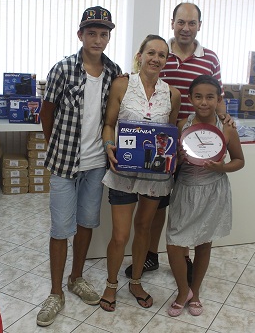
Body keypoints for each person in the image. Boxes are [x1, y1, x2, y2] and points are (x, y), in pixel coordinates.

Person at [124, 2, 233, 284]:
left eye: (192, 23)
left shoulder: (210, 58)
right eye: (181, 22)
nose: (186, 28)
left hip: (200, 144)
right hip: (164, 142)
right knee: (159, 203)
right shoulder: (161, 54)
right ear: (172, 22)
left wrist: (225, 120)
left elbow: (218, 96)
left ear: (199, 25)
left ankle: (184, 258)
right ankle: (151, 254)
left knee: (190, 204)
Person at [37, 6, 122, 327]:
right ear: (80, 35)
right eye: (92, 33)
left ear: (108, 37)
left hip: (96, 164)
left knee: (86, 223)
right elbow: (47, 112)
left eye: (103, 34)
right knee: (60, 229)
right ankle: (55, 292)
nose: (97, 39)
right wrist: (53, 144)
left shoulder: (113, 73)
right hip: (64, 162)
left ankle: (76, 278)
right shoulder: (63, 70)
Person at [99, 34, 181, 312]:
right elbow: (109, 123)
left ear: (166, 61)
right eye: (151, 53)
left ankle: (135, 281)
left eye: (162, 55)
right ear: (140, 55)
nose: (156, 59)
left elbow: (170, 135)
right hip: (122, 171)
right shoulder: (122, 84)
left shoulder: (172, 94)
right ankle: (111, 285)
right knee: (120, 235)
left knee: (144, 228)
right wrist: (109, 145)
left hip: (155, 176)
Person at [166, 75, 244, 317]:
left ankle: (195, 292)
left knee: (203, 243)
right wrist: (176, 156)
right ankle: (182, 291)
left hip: (213, 190)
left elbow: (240, 161)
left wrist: (221, 167)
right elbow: (173, 162)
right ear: (190, 99)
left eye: (210, 97)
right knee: (174, 243)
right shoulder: (182, 126)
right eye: (198, 96)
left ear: (218, 99)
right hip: (186, 189)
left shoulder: (227, 128)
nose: (204, 102)